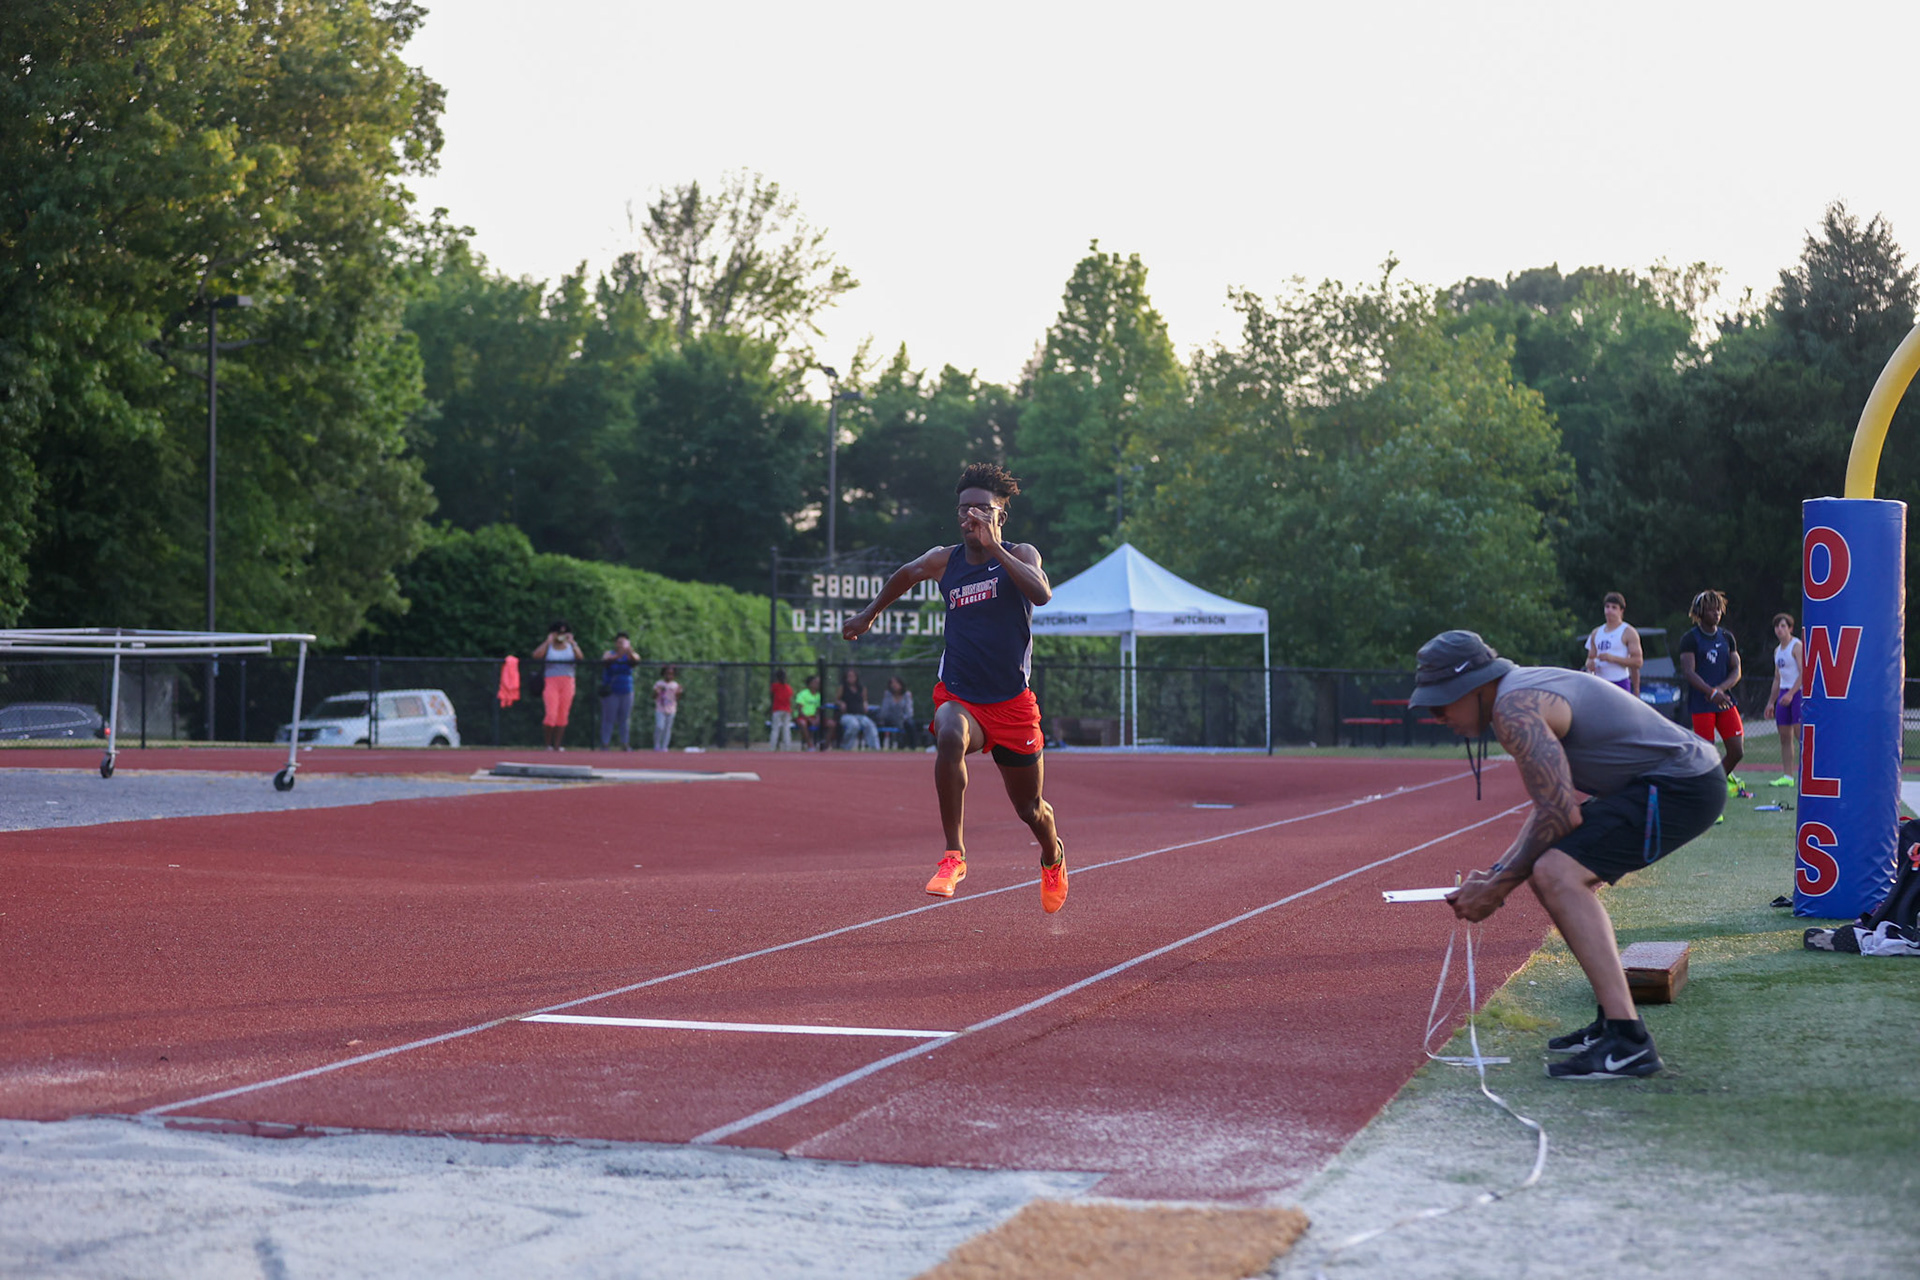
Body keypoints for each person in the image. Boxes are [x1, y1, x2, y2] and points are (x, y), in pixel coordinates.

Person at [1416, 630, 1725, 1079]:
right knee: (1554, 870)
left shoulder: (1514, 708)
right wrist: (1498, 873)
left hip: (1682, 784)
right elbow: (1551, 806)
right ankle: (1614, 1021)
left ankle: (1629, 1042)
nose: (1437, 716)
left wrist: (1497, 887)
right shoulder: (1517, 693)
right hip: (1673, 779)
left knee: (1557, 873)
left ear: (1472, 686)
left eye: (1440, 703)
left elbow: (1560, 813)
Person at [843, 462, 1067, 913]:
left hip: (1012, 704)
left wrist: (996, 547)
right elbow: (906, 574)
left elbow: (1041, 594)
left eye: (982, 508)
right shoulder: (945, 561)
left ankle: (1053, 855)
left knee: (1030, 809)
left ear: (1001, 515)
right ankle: (954, 855)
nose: (971, 517)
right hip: (961, 694)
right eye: (964, 509)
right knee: (948, 734)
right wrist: (869, 614)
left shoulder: (1021, 554)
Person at [1678, 589, 1745, 797]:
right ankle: (1706, 794)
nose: (1716, 613)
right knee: (1707, 754)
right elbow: (1689, 672)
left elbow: (1736, 669)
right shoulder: (1690, 639)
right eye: (1710, 609)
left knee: (1737, 751)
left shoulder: (1726, 637)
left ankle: (1712, 786)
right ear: (1699, 612)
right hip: (1702, 704)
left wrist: (1720, 690)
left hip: (1724, 701)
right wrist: (1710, 692)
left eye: (1718, 609)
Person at [1762, 612, 1803, 788]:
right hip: (1783, 693)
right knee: (1785, 737)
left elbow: (1804, 673)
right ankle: (1787, 776)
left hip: (1797, 693)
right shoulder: (1777, 651)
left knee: (1801, 735)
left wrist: (1791, 694)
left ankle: (1808, 774)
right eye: (1777, 626)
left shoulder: (1796, 646)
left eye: (1783, 626)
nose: (1779, 629)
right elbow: (1777, 678)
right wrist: (1771, 702)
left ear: (1790, 628)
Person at [532, 620, 581, 751]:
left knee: (563, 713)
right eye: (558, 633)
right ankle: (547, 744)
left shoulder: (570, 646)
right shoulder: (549, 646)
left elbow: (580, 658)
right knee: (551, 713)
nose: (561, 636)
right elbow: (536, 655)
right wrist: (548, 641)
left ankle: (557, 745)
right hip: (551, 680)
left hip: (568, 680)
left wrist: (573, 643)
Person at [1584, 591, 1643, 696]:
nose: (1609, 610)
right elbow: (1590, 658)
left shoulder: (1628, 632)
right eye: (1607, 607)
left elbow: (1638, 662)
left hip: (1620, 682)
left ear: (1621, 611)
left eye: (1614, 607)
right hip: (1600, 683)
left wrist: (1613, 658)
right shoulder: (1596, 633)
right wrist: (1590, 664)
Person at [599, 632, 639, 750]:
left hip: (627, 690)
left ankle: (625, 743)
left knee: (625, 719)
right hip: (612, 691)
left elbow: (636, 661)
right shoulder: (609, 653)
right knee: (608, 718)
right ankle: (605, 743)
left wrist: (629, 651)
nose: (621, 645)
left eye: (623, 642)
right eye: (619, 642)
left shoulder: (630, 655)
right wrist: (618, 655)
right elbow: (605, 661)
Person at [837, 668, 880, 750]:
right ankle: (846, 747)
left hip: (860, 715)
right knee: (854, 725)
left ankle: (875, 748)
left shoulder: (862, 688)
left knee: (870, 725)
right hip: (847, 715)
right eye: (849, 676)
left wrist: (865, 704)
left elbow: (865, 700)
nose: (851, 678)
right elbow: (837, 699)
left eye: (853, 676)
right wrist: (841, 703)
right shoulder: (843, 688)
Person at [876, 676, 915, 748]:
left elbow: (909, 711)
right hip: (889, 719)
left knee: (910, 723)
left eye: (896, 683)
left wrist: (903, 718)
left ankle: (912, 745)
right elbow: (884, 710)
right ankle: (879, 745)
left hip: (902, 719)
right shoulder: (888, 694)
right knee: (879, 722)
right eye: (892, 683)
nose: (894, 685)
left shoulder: (907, 695)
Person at [652, 665, 683, 752]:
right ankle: (657, 744)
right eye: (667, 674)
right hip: (660, 708)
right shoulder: (659, 683)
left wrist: (679, 692)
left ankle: (664, 746)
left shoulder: (675, 685)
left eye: (671, 674)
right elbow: (653, 696)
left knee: (667, 728)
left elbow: (677, 698)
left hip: (671, 709)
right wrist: (656, 691)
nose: (669, 676)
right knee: (659, 726)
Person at [769, 668, 795, 751]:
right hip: (787, 709)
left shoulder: (775, 686)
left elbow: (772, 695)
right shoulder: (788, 687)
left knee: (775, 729)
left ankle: (772, 747)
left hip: (777, 709)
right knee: (786, 729)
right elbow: (790, 698)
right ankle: (787, 747)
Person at [793, 674, 822, 750]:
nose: (817, 684)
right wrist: (809, 719)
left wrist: (817, 718)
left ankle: (825, 745)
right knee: (803, 723)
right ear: (810, 684)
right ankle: (809, 745)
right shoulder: (803, 694)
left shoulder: (819, 695)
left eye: (818, 683)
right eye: (815, 682)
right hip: (802, 717)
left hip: (813, 717)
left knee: (830, 723)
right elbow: (800, 710)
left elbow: (818, 710)